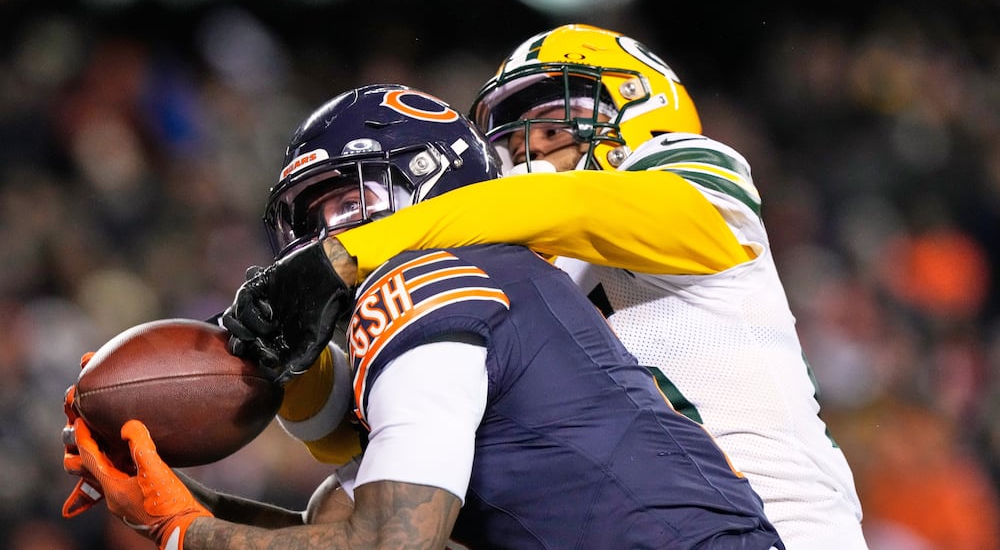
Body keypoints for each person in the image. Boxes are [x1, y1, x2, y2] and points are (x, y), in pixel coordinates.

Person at [224, 26, 869, 548]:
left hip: (788, 528)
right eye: (510, 142)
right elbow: (362, 434)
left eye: (554, 130)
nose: (529, 156)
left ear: (642, 111)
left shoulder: (689, 183)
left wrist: (349, 252)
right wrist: (282, 358)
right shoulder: (518, 277)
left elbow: (562, 206)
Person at [64, 83, 784, 549]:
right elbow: (341, 533)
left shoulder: (429, 284)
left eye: (348, 203)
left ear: (433, 185)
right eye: (312, 221)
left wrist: (184, 534)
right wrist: (187, 502)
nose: (328, 239)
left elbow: (390, 546)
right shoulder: (485, 304)